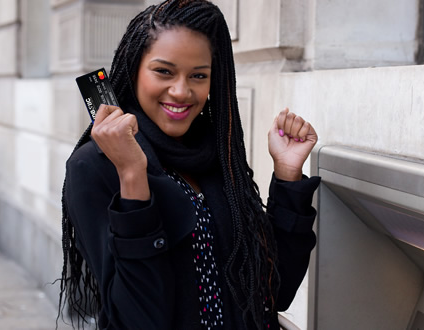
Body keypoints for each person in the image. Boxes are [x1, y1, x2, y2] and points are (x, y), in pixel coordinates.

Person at [57, 0, 320, 329]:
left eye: (198, 75)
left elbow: (272, 292)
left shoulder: (215, 154)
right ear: (133, 69)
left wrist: (287, 176)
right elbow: (138, 319)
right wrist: (132, 176)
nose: (181, 91)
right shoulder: (95, 166)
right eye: (164, 71)